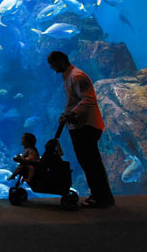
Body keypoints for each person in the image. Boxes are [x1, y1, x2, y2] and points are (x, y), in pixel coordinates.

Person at [47, 50, 115, 208]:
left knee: (91, 164)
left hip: (87, 126)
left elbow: (88, 100)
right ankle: (100, 195)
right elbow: (74, 100)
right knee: (89, 163)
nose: (51, 68)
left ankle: (101, 197)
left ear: (61, 61)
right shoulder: (69, 76)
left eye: (52, 64)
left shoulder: (77, 77)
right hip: (79, 125)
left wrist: (70, 114)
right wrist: (67, 114)